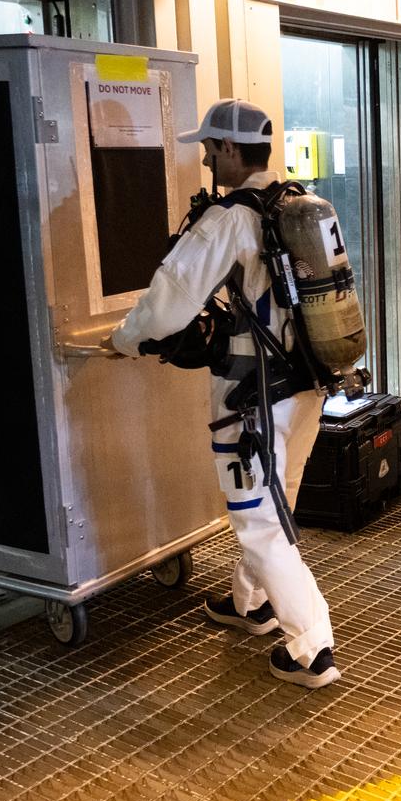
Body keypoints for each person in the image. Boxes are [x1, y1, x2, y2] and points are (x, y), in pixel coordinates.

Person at [110, 99, 341, 689]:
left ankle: (312, 644)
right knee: (276, 502)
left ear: (233, 151)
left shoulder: (231, 217)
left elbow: (171, 298)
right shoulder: (300, 202)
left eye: (211, 148)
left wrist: (126, 339)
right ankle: (251, 602)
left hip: (252, 394)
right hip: (308, 383)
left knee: (257, 520)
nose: (206, 157)